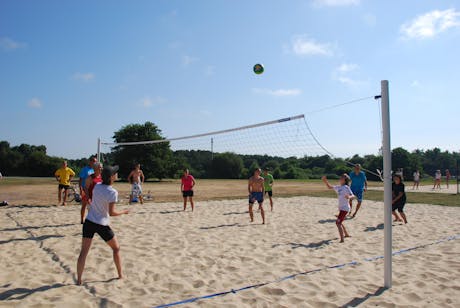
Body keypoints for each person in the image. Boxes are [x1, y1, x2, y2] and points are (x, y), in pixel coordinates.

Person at [77, 165, 129, 285]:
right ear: (111, 177)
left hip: (89, 221)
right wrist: (123, 212)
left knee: (83, 251)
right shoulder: (112, 192)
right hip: (101, 224)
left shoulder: (98, 186)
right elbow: (111, 213)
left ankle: (79, 280)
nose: (117, 174)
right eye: (115, 173)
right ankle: (120, 275)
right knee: (116, 248)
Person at [322, 174, 354, 243]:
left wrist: (349, 197)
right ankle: (346, 234)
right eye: (341, 177)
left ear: (345, 180)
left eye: (342, 177)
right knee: (340, 222)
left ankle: (342, 240)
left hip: (345, 208)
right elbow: (329, 187)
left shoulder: (346, 187)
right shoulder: (338, 187)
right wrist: (325, 181)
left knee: (338, 223)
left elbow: (353, 195)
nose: (340, 178)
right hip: (341, 208)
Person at [80, 157, 97, 223]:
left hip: (93, 189)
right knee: (84, 205)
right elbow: (81, 179)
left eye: (95, 161)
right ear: (90, 162)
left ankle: (91, 220)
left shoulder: (95, 169)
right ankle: (82, 219)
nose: (95, 163)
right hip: (85, 188)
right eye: (94, 161)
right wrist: (81, 189)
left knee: (92, 206)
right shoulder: (85, 169)